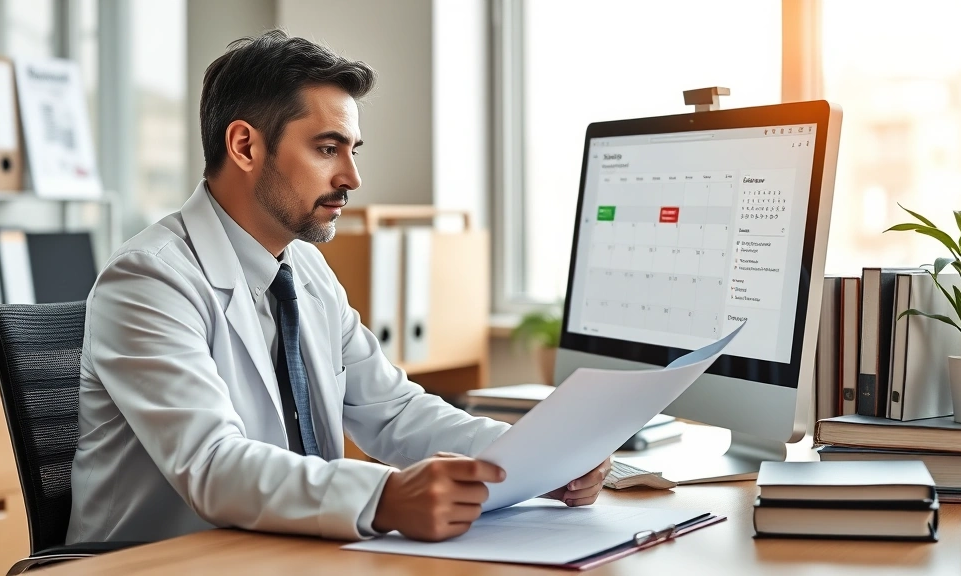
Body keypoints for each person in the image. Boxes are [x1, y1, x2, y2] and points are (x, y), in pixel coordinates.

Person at [66, 30, 610, 545]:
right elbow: (212, 465)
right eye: (328, 149)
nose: (352, 178)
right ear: (245, 146)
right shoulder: (148, 280)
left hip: (289, 552)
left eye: (353, 150)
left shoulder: (303, 269)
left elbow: (393, 410)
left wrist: (537, 458)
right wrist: (385, 496)